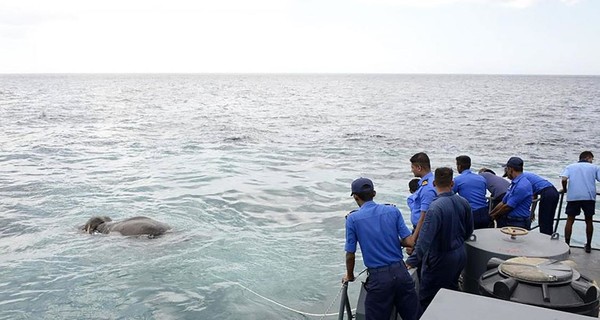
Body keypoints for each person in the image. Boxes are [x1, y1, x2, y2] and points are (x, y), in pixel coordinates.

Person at [343, 177, 420, 320]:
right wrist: (393, 242)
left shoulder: (352, 219)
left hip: (379, 279)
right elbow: (410, 241)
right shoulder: (392, 211)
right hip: (401, 272)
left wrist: (350, 275)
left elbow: (350, 254)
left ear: (355, 196)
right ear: (374, 193)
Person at [406, 167, 474, 312]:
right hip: (460, 254)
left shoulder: (434, 208)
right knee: (451, 291)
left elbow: (424, 241)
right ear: (452, 183)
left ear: (434, 183)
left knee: (428, 297)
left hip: (440, 259)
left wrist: (411, 261)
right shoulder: (463, 202)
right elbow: (469, 231)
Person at [560, 151, 600, 253]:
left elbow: (564, 179)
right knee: (589, 220)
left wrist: (565, 189)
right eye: (592, 159)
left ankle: (567, 245)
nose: (592, 161)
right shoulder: (594, 167)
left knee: (570, 220)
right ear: (588, 158)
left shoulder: (570, 167)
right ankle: (589, 246)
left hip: (574, 196)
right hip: (589, 196)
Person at [489, 157, 533, 229]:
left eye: (507, 169)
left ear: (511, 169)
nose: (506, 172)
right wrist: (491, 214)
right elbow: (503, 202)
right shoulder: (514, 183)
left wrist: (494, 216)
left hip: (517, 223)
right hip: (509, 220)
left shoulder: (522, 186)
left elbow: (508, 207)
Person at [518, 171, 560, 235]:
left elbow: (531, 196)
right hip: (554, 192)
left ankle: (545, 240)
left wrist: (531, 213)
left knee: (544, 221)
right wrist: (532, 213)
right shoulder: (527, 175)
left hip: (547, 193)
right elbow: (534, 196)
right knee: (549, 220)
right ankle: (549, 238)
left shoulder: (522, 178)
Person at [453, 155, 489, 229]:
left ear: (459, 166)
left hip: (471, 213)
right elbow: (484, 193)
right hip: (485, 211)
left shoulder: (458, 180)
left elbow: (449, 194)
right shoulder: (481, 178)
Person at [409, 152, 437, 241]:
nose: (411, 170)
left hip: (422, 231)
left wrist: (414, 238)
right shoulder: (431, 181)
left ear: (419, 168)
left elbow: (424, 216)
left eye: (412, 167)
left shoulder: (427, 188)